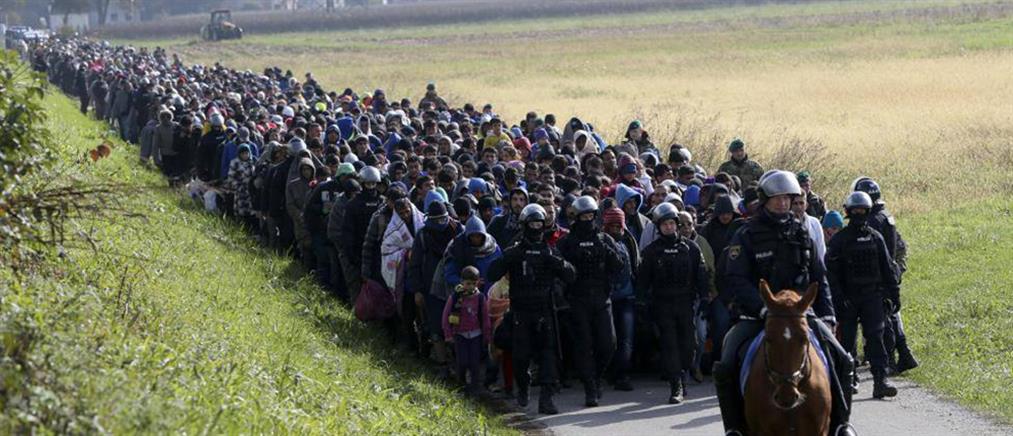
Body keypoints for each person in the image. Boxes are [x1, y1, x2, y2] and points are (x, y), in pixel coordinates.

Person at [714, 170, 856, 436]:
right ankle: (735, 428)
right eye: (776, 198)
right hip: (759, 315)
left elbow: (819, 277)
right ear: (764, 200)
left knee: (843, 358)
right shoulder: (746, 235)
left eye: (787, 199)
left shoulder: (802, 233)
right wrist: (762, 307)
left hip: (801, 313)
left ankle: (841, 424)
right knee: (726, 363)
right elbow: (736, 278)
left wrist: (827, 315)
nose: (782, 203)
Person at [487, 204, 576, 415]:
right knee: (520, 356)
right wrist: (508, 258)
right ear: (524, 225)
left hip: (545, 312)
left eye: (539, 224)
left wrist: (557, 262)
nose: (536, 228)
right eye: (532, 224)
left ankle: (546, 398)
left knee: (548, 356)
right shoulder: (515, 251)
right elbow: (492, 273)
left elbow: (571, 275)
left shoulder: (550, 250)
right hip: (521, 312)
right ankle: (523, 385)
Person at [826, 191, 900, 399]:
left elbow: (887, 268)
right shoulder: (839, 240)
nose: (859, 214)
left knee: (876, 339)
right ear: (849, 212)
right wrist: (838, 298)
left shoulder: (876, 238)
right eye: (855, 210)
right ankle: (848, 381)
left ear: (868, 211)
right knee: (847, 342)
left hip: (872, 297)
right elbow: (830, 274)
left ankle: (881, 381)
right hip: (848, 299)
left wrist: (893, 295)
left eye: (862, 210)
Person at [637, 203, 709, 404]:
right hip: (663, 304)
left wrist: (704, 299)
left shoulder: (691, 248)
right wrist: (641, 303)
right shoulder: (651, 252)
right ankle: (676, 384)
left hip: (686, 303)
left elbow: (701, 275)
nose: (669, 227)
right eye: (664, 224)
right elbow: (643, 281)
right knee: (669, 345)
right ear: (658, 227)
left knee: (689, 346)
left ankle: (684, 372)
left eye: (671, 223)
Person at [556, 196, 621, 407]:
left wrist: (606, 250)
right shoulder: (566, 242)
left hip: (602, 298)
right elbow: (558, 271)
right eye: (583, 216)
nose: (587, 220)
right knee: (583, 345)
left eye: (590, 216)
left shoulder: (604, 239)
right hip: (577, 299)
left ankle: (597, 376)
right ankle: (589, 387)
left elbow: (619, 266)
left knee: (608, 343)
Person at [852, 177, 918, 374]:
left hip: (880, 275)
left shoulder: (873, 220)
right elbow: (899, 246)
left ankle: (890, 360)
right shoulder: (886, 215)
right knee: (892, 315)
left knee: (884, 320)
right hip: (890, 271)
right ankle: (903, 354)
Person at [603, 206, 638, 391]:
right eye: (612, 226)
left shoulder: (629, 241)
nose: (616, 230)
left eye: (619, 226)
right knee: (609, 340)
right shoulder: (602, 242)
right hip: (607, 299)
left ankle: (622, 375)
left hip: (627, 297)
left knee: (626, 340)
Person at [442, 266, 491, 395]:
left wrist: (487, 336)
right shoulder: (455, 297)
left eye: (474, 284)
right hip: (460, 334)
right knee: (462, 361)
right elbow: (446, 316)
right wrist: (448, 334)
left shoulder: (480, 298)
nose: (471, 287)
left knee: (475, 363)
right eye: (468, 283)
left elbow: (485, 318)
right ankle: (461, 385)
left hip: (476, 334)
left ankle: (475, 388)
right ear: (462, 282)